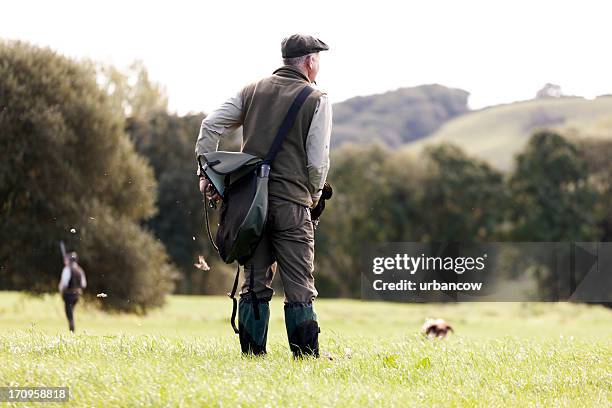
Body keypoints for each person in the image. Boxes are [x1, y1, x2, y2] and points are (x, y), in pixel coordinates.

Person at [195, 34, 332, 357]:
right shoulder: (317, 98)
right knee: (299, 285)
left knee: (254, 282)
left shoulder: (252, 90)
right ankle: (305, 358)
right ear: (310, 61)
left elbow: (210, 125)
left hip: (249, 205)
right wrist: (312, 195)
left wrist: (207, 175)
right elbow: (318, 162)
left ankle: (253, 357)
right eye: (319, 59)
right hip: (292, 203)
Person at [58, 251, 87, 332]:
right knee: (71, 311)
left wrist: (61, 291)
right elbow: (84, 284)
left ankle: (72, 330)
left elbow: (64, 284)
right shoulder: (80, 270)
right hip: (77, 295)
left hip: (68, 295)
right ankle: (72, 328)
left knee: (69, 313)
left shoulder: (67, 269)